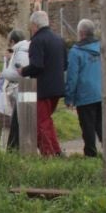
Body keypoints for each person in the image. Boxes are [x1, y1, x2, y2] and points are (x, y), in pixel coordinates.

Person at [27, 10, 68, 157]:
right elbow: (65, 64)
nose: (31, 28)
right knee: (47, 120)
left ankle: (48, 152)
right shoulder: (59, 39)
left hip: (43, 88)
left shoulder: (37, 41)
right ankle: (56, 150)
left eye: (31, 25)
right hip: (57, 87)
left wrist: (23, 71)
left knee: (41, 122)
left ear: (35, 25)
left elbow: (36, 66)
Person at [63, 20, 104, 158]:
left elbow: (72, 76)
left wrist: (69, 97)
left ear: (81, 33)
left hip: (85, 94)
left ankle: (90, 154)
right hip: (103, 92)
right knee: (101, 124)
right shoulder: (102, 48)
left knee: (88, 127)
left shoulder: (76, 52)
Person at [0, 32, 23, 150]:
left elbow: (10, 75)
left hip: (11, 95)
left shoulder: (13, 55)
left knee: (8, 124)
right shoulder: (24, 53)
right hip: (18, 93)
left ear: (13, 42)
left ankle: (5, 148)